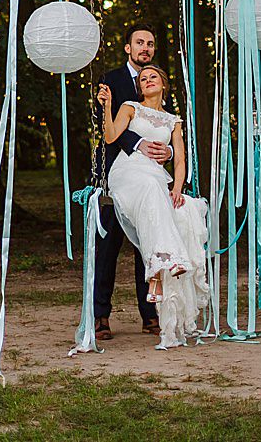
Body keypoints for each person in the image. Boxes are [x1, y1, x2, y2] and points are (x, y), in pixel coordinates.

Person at [100, 63, 210, 349]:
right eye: (144, 78)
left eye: (153, 77)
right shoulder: (129, 107)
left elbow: (181, 160)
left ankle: (157, 276)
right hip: (128, 172)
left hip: (156, 176)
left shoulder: (173, 120)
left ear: (164, 83)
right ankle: (163, 264)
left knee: (178, 204)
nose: (148, 80)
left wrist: (177, 187)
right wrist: (108, 107)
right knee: (152, 189)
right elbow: (111, 137)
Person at [92, 23, 167, 340]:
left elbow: (164, 121)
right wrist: (137, 145)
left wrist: (167, 149)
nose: (145, 48)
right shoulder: (111, 79)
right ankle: (100, 316)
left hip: (151, 174)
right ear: (128, 48)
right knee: (107, 247)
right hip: (117, 172)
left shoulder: (155, 81)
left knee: (147, 243)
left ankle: (150, 315)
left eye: (150, 43)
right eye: (139, 43)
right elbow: (104, 123)